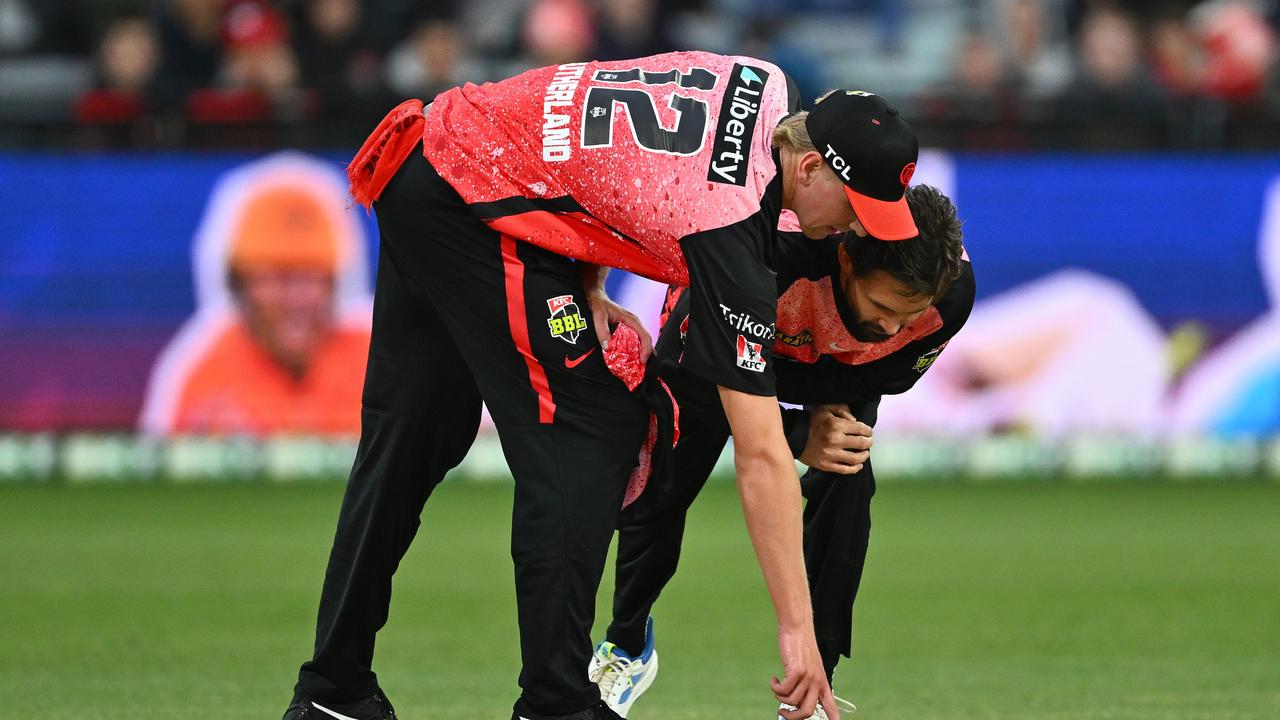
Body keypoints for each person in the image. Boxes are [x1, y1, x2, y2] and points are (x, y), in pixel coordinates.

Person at [283, 51, 920, 720]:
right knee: (589, 431)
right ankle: (557, 703)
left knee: (411, 440)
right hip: (475, 204)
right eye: (857, 207)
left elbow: (600, 120)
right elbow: (760, 456)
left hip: (434, 158)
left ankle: (333, 691)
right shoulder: (733, 222)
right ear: (812, 166)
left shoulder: (764, 81)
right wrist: (798, 634)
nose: (853, 228)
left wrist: (585, 278)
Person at [588, 184, 974, 718]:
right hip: (721, 344)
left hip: (840, 368)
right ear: (845, 261)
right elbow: (696, 373)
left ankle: (815, 691)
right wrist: (794, 433)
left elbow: (888, 368)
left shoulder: (949, 298)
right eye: (883, 306)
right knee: (661, 482)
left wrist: (823, 408)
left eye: (909, 317)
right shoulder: (764, 255)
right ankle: (627, 643)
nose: (893, 327)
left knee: (848, 474)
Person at [140, 152, 372, 437]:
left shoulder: (381, 359)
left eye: (312, 276)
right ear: (240, 285)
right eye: (277, 278)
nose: (297, 299)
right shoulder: (201, 370)